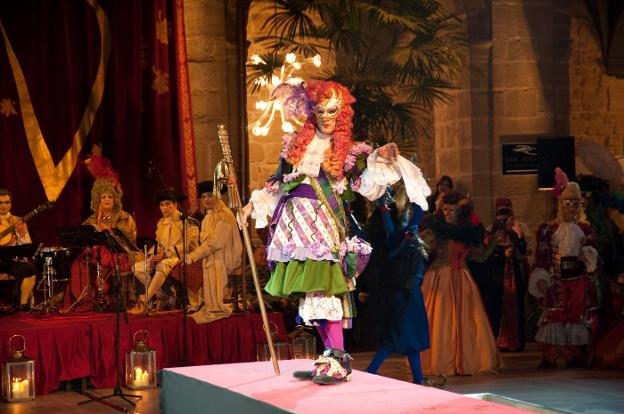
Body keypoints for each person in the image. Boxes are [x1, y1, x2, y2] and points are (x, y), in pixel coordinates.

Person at [239, 80, 430, 384]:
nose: (326, 116)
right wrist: (252, 207)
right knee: (312, 296)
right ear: (310, 111)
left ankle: (338, 359)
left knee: (326, 292)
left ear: (341, 113)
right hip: (295, 232)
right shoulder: (293, 146)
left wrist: (379, 157)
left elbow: (366, 187)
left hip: (324, 231)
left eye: (332, 110)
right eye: (319, 109)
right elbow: (278, 184)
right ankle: (329, 357)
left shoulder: (348, 152)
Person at [419, 190, 503, 376]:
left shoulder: (468, 234)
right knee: (441, 320)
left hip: (463, 279)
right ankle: (442, 361)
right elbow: (422, 247)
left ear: (460, 212)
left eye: (452, 210)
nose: (448, 213)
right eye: (445, 210)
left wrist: (494, 240)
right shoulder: (438, 231)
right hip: (439, 278)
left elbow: (479, 257)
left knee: (467, 321)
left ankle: (466, 361)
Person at [364, 184, 430, 384]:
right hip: (400, 290)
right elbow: (392, 253)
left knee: (409, 334)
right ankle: (372, 370)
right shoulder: (396, 236)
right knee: (398, 331)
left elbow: (418, 212)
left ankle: (416, 377)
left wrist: (418, 191)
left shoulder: (413, 234)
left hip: (412, 291)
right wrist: (384, 212)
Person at [529, 181, 599, 368]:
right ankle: (550, 357)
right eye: (567, 204)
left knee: (576, 317)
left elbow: (592, 253)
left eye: (575, 204)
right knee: (554, 316)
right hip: (556, 280)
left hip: (578, 281)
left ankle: (574, 356)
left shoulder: (586, 229)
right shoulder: (548, 229)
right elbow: (541, 255)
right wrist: (541, 276)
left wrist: (588, 255)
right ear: (560, 204)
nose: (571, 209)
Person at [63, 177, 138, 311]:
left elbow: (125, 238)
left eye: (110, 196)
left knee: (103, 260)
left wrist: (103, 228)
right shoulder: (93, 218)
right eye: (103, 197)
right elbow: (83, 236)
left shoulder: (123, 216)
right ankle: (86, 301)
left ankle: (104, 300)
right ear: (98, 200)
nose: (107, 199)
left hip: (119, 253)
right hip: (97, 254)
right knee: (78, 263)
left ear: (115, 199)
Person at [130, 189, 198, 313]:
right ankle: (163, 296)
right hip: (164, 256)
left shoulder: (186, 221)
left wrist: (167, 253)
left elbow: (190, 245)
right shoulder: (161, 223)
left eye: (168, 204)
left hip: (181, 257)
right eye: (162, 205)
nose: (164, 208)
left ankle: (145, 301)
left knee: (162, 264)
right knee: (138, 268)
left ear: (175, 205)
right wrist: (151, 256)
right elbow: (159, 244)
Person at [185, 181, 242, 323]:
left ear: (217, 196)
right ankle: (206, 304)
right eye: (203, 196)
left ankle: (217, 306)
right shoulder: (208, 216)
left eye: (210, 196)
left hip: (225, 257)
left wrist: (193, 256)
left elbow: (215, 243)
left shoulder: (225, 215)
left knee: (213, 263)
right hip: (212, 256)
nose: (206, 200)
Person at [485, 197, 529, 352]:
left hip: (513, 276)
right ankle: (499, 341)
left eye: (506, 215)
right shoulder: (491, 233)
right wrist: (503, 254)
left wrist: (520, 236)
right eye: (501, 216)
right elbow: (487, 255)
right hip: (497, 277)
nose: (503, 220)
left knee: (515, 309)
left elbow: (523, 252)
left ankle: (516, 342)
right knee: (497, 310)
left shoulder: (515, 233)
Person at [0, 189, 37, 312]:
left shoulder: (18, 220)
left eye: (7, 202)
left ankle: (22, 305)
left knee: (30, 268)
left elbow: (28, 247)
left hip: (11, 261)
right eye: (0, 203)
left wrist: (21, 235)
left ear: (11, 203)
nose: (4, 206)